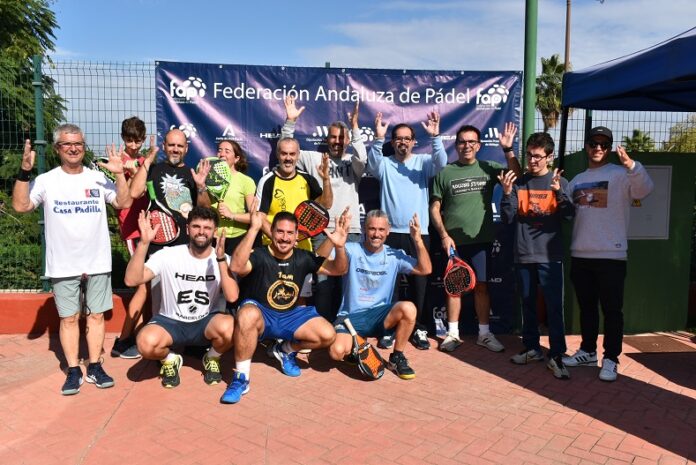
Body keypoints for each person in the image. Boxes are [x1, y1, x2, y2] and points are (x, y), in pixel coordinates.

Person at [12, 124, 132, 395]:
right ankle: (73, 370)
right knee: (68, 319)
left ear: (84, 145)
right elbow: (20, 206)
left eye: (78, 143)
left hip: (98, 261)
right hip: (63, 264)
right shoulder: (46, 180)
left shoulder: (97, 178)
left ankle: (95, 366)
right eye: (67, 144)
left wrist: (120, 175)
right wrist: (25, 172)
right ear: (57, 149)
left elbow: (123, 203)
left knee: (97, 315)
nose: (73, 148)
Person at [219, 205, 349, 404]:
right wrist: (253, 229)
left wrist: (339, 246)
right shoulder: (260, 255)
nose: (285, 238)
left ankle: (285, 350)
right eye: (280, 231)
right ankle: (241, 378)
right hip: (262, 315)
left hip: (290, 316)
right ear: (271, 232)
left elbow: (339, 269)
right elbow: (236, 266)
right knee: (246, 314)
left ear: (297, 235)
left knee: (328, 334)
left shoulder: (303, 258)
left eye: (290, 233)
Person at [562, 126, 653, 382]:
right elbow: (566, 211)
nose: (598, 148)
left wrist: (632, 165)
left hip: (611, 256)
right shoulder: (578, 179)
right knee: (587, 308)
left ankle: (611, 359)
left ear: (610, 147)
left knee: (612, 311)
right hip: (580, 254)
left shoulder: (622, 175)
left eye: (604, 144)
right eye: (594, 143)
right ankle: (588, 351)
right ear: (586, 146)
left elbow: (645, 190)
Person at [430, 123, 522, 353]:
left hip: (482, 240)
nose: (467, 146)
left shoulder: (489, 167)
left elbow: (517, 176)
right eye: (462, 141)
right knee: (454, 287)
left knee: (481, 287)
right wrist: (444, 235)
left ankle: (484, 334)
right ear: (456, 145)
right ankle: (452, 334)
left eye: (471, 142)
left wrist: (508, 150)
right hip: (454, 242)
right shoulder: (445, 173)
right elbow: (434, 208)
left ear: (479, 145)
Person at [124, 206, 238, 388]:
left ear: (214, 232)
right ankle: (170, 359)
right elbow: (131, 280)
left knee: (232, 327)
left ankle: (212, 357)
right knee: (145, 343)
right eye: (196, 226)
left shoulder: (222, 258)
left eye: (207, 228)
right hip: (170, 321)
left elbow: (232, 297)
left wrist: (221, 260)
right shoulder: (168, 255)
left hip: (205, 322)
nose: (202, 232)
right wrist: (144, 244)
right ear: (187, 229)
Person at [282, 96, 366, 321]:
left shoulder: (353, 162)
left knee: (350, 284)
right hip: (322, 231)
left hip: (352, 231)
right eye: (333, 137)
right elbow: (286, 151)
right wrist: (290, 122)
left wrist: (355, 128)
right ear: (326, 139)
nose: (337, 142)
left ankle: (347, 327)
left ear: (347, 140)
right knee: (325, 283)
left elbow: (364, 157)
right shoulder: (313, 158)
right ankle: (323, 326)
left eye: (341, 138)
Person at [367, 111, 446, 350]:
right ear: (393, 142)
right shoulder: (385, 164)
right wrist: (378, 139)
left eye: (407, 138)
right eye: (398, 138)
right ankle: (388, 327)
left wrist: (436, 137)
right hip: (389, 235)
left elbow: (441, 163)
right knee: (388, 284)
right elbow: (371, 164)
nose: (402, 142)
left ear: (413, 142)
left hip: (417, 234)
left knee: (419, 285)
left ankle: (418, 328)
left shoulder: (422, 162)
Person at [498, 132, 574, 379]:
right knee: (528, 304)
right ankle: (532, 348)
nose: (533, 160)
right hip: (523, 254)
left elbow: (569, 215)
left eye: (538, 156)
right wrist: (507, 192)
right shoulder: (520, 182)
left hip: (550, 256)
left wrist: (559, 194)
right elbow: (509, 217)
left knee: (554, 308)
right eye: (529, 155)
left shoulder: (559, 181)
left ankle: (556, 355)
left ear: (549, 157)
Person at [326, 210, 432, 379]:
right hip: (350, 317)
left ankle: (396, 357)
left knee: (409, 308)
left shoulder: (394, 255)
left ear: (388, 230)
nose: (376, 234)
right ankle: (356, 344)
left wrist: (418, 240)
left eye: (381, 230)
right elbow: (321, 258)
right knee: (336, 352)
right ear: (364, 229)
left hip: (379, 316)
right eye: (372, 229)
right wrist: (337, 242)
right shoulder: (351, 249)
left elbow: (425, 269)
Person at [111, 117, 158, 359]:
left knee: (151, 286)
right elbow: (129, 190)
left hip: (148, 229)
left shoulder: (143, 159)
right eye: (129, 140)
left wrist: (145, 161)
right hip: (132, 231)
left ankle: (140, 334)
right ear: (123, 138)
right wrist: (134, 167)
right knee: (142, 286)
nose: (134, 145)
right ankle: (122, 340)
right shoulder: (120, 160)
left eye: (138, 141)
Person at [129, 128, 211, 256]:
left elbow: (205, 209)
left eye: (180, 146)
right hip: (157, 248)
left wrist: (200, 185)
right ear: (164, 146)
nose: (175, 149)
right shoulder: (152, 169)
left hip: (186, 247)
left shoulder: (193, 175)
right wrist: (148, 160)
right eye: (171, 145)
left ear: (186, 148)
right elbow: (134, 193)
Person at [255, 136, 332, 252]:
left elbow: (325, 206)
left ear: (298, 155)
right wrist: (281, 240)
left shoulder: (308, 179)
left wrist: (326, 180)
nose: (288, 158)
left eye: (292, 154)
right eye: (284, 154)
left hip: (302, 251)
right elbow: (260, 218)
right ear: (277, 155)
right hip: (273, 250)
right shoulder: (267, 181)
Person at [212, 140, 256, 256]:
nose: (222, 154)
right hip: (212, 237)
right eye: (220, 150)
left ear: (236, 158)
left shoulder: (246, 181)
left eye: (227, 151)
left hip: (237, 239)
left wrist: (231, 215)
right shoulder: (209, 178)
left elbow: (254, 217)